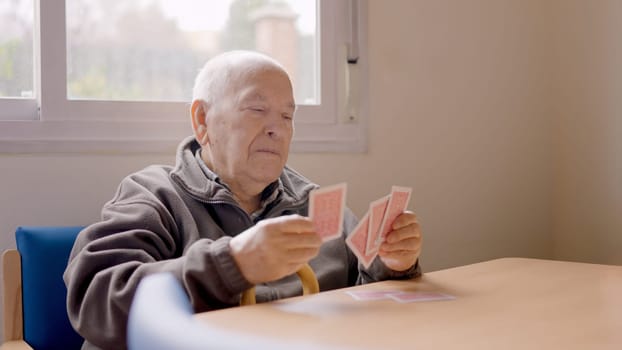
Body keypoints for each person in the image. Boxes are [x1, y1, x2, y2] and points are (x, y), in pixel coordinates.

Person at [63, 50, 422, 350]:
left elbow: (362, 317)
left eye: (287, 116)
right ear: (202, 120)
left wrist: (391, 267)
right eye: (256, 109)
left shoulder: (315, 203)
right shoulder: (153, 195)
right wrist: (232, 264)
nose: (277, 128)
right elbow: (96, 301)